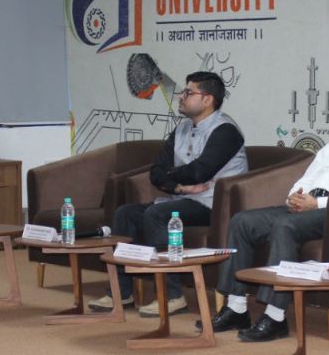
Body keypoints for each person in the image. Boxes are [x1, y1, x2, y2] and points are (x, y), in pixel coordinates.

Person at [209, 89, 329, 342]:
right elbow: (308, 177)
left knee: (284, 226)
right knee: (242, 221)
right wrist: (295, 196)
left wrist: (317, 203)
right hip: (306, 205)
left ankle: (275, 316)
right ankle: (236, 308)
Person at [88, 71, 248, 317]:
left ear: (207, 99)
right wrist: (179, 187)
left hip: (213, 205)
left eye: (188, 92)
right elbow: (156, 172)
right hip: (183, 199)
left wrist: (171, 175)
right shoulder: (182, 128)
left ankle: (173, 296)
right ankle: (120, 292)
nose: (181, 97)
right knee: (125, 213)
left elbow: (200, 171)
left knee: (157, 214)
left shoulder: (226, 131)